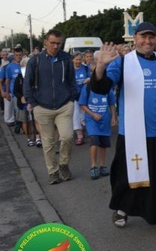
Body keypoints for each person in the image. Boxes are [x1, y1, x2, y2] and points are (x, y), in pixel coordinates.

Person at [90, 22, 156, 237]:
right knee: (126, 177)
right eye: (143, 37)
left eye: (151, 37)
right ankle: (122, 208)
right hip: (132, 135)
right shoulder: (122, 62)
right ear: (135, 38)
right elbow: (102, 88)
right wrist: (100, 66)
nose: (147, 41)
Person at [24, 30, 79, 184]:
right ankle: (53, 171)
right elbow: (27, 84)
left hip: (64, 105)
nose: (55, 46)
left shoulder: (66, 59)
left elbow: (71, 80)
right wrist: (33, 103)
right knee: (48, 143)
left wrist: (72, 98)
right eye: (52, 43)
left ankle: (63, 164)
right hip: (42, 107)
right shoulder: (35, 61)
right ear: (45, 42)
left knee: (67, 137)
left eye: (58, 43)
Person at [79, 54, 116, 180]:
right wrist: (93, 114)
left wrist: (113, 117)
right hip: (92, 120)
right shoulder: (87, 87)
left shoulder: (107, 87)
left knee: (103, 144)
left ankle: (102, 165)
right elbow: (82, 104)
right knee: (94, 141)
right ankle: (93, 166)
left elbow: (111, 103)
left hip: (104, 119)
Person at [72, 52, 90, 145]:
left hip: (84, 94)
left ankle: (84, 128)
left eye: (79, 59)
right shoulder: (70, 70)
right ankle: (79, 135)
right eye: (76, 59)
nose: (78, 61)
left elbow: (91, 78)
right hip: (74, 95)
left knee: (83, 113)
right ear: (73, 60)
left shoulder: (86, 68)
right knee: (75, 114)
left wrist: (88, 80)